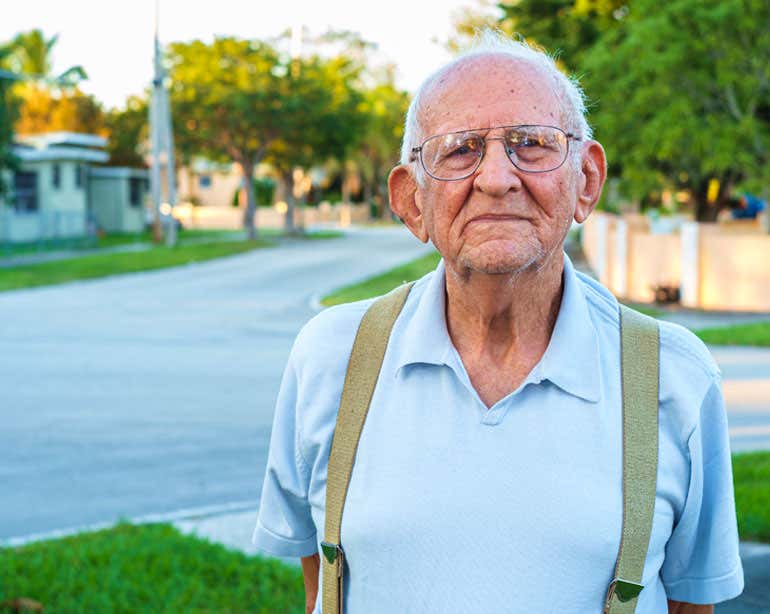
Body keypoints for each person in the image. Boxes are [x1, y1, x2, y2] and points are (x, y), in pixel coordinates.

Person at [253, 31, 744, 613]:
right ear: (411, 200)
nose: (495, 178)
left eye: (531, 143)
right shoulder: (331, 357)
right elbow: (322, 585)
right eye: (459, 149)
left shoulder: (675, 377)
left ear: (585, 180)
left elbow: (693, 603)